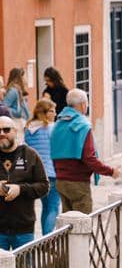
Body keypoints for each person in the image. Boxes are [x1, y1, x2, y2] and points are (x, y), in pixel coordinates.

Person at [51, 87, 116, 213]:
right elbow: (89, 157)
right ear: (83, 104)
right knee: (83, 225)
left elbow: (53, 153)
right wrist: (110, 171)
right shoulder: (82, 125)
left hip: (60, 180)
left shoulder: (58, 124)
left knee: (68, 223)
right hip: (78, 182)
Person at [0, 114, 48, 250]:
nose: (2, 134)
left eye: (6, 130)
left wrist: (20, 189)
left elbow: (44, 186)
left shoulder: (30, 155)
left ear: (15, 131)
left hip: (23, 229)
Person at [23, 99, 61, 235]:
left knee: (45, 207)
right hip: (52, 173)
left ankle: (45, 238)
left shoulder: (28, 129)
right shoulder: (52, 128)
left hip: (35, 174)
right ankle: (48, 239)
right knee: (53, 208)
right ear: (44, 112)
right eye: (52, 111)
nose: (55, 114)